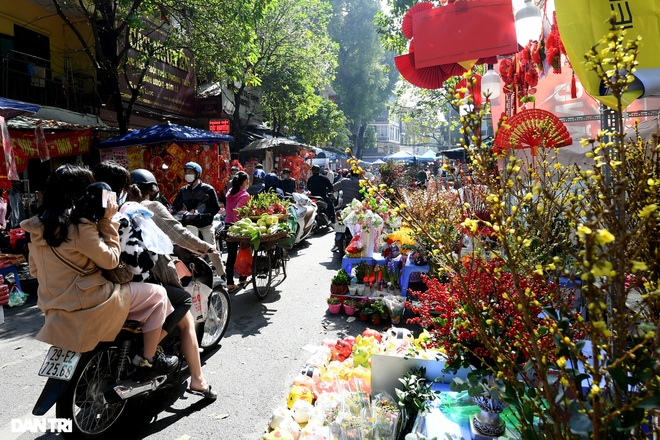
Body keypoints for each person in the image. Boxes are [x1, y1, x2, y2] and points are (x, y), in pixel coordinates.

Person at [21, 164, 178, 380]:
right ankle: (149, 359)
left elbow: (34, 270)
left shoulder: (35, 227)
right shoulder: (79, 225)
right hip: (91, 301)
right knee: (158, 295)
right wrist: (107, 222)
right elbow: (111, 260)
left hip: (52, 304)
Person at [128, 168, 218, 400]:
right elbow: (178, 233)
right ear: (152, 189)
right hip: (152, 277)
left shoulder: (116, 208)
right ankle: (197, 381)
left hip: (123, 280)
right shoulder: (150, 208)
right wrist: (205, 247)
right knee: (186, 319)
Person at [170, 162, 224, 277]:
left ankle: (222, 274)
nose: (187, 174)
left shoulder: (208, 189)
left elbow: (215, 207)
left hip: (205, 225)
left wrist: (202, 214)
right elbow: (175, 206)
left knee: (211, 248)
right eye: (186, 172)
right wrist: (171, 211)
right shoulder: (183, 191)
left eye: (190, 172)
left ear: (197, 174)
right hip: (189, 225)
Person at [224, 171, 250, 291]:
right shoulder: (245, 195)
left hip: (227, 225)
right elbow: (237, 211)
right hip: (239, 226)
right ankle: (242, 278)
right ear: (244, 182)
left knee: (231, 255)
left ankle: (230, 282)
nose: (248, 183)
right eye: (247, 181)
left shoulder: (230, 192)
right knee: (243, 251)